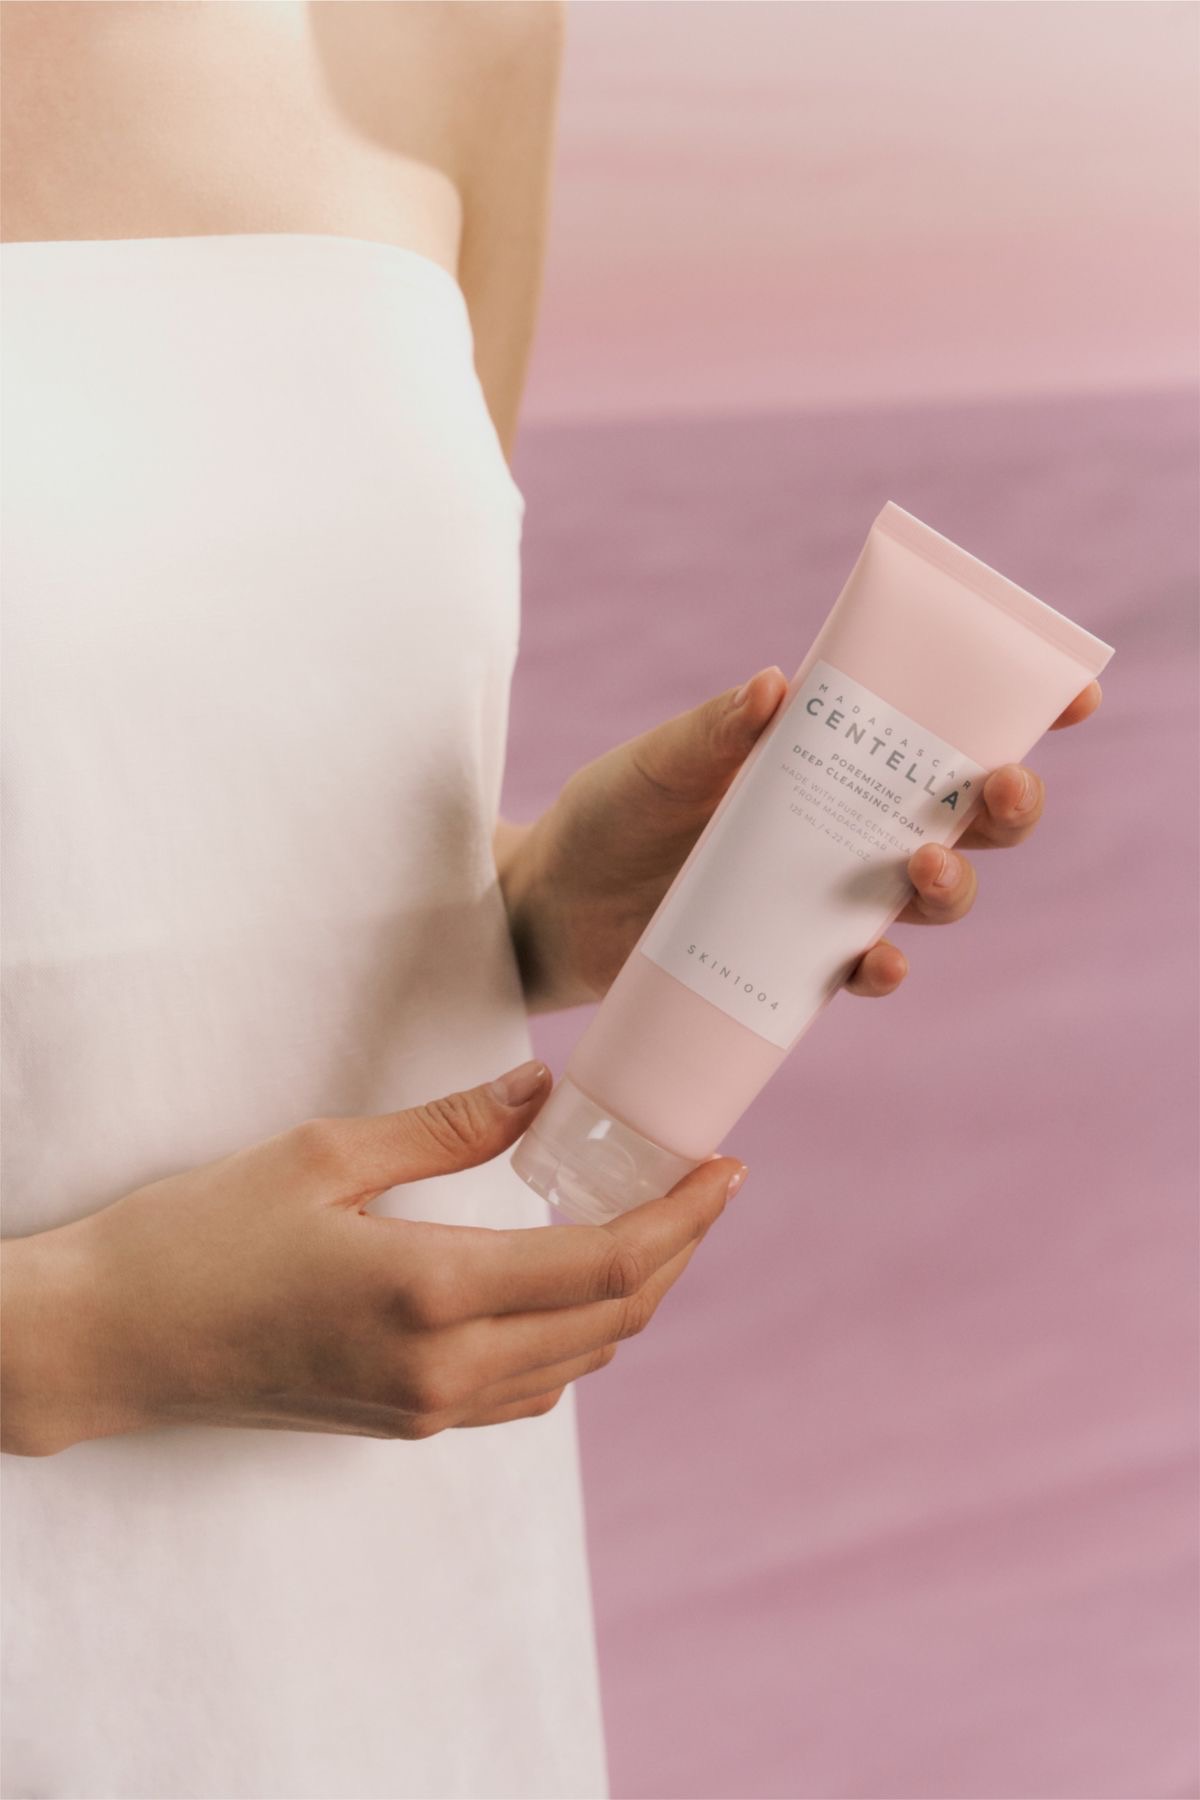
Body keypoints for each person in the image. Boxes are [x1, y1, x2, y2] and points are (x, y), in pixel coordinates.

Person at [0, 5, 1102, 1798]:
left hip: (391, 1580)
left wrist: (537, 901)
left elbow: (191, 812)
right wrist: (68, 1335)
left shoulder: (442, 31)